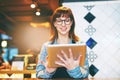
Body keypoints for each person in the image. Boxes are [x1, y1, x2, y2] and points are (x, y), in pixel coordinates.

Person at [36, 6, 89, 79]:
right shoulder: (46, 46)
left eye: (67, 20)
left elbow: (85, 73)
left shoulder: (80, 44)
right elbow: (38, 73)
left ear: (71, 23)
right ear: (54, 23)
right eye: (59, 21)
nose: (63, 24)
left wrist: (74, 70)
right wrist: (48, 72)